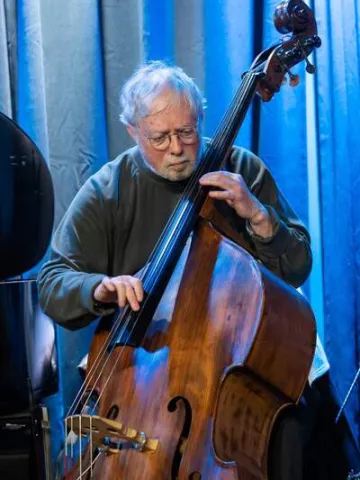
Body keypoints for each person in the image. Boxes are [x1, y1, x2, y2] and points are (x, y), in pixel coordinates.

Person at [38, 60, 320, 479]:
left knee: (293, 430)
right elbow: (52, 281)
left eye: (187, 132)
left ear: (200, 121)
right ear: (133, 133)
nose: (176, 147)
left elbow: (298, 266)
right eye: (160, 137)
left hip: (225, 390)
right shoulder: (109, 189)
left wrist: (258, 216)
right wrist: (99, 288)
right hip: (141, 390)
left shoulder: (239, 170)